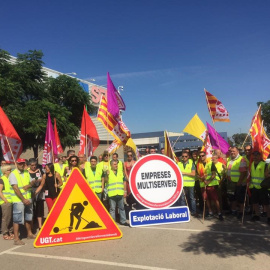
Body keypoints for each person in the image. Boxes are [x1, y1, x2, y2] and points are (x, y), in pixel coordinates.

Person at [9, 158, 36, 245]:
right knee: (17, 219)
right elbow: (16, 188)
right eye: (20, 163)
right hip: (19, 200)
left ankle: (29, 233)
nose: (21, 165)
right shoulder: (13, 174)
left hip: (28, 198)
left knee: (28, 217)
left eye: (23, 163)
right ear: (16, 164)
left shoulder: (26, 172)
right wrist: (23, 199)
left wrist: (31, 185)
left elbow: (30, 184)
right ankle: (16, 239)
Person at [105, 160, 128, 226]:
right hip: (112, 193)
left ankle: (123, 221)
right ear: (111, 165)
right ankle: (112, 222)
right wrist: (107, 175)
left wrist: (125, 191)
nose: (116, 165)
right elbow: (105, 181)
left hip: (120, 193)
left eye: (117, 164)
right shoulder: (108, 172)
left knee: (122, 208)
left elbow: (124, 182)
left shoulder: (121, 172)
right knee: (112, 209)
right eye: (114, 164)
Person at [226, 146, 248, 219]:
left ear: (237, 151)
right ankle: (233, 210)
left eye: (234, 151)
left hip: (239, 183)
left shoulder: (241, 159)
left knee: (240, 199)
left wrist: (239, 182)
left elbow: (243, 172)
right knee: (232, 198)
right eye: (231, 151)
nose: (232, 152)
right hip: (231, 183)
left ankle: (241, 212)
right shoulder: (230, 159)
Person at [249, 151, 269, 222]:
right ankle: (256, 215)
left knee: (266, 203)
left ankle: (269, 217)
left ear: (260, 156)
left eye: (257, 155)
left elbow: (267, 175)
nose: (255, 157)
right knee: (255, 202)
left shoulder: (264, 164)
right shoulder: (251, 164)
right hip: (254, 186)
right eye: (254, 155)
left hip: (262, 187)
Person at [203, 154, 224, 220]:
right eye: (213, 158)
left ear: (218, 158)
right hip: (208, 184)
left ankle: (219, 213)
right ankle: (211, 212)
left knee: (216, 199)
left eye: (215, 158)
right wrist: (204, 179)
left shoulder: (221, 164)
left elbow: (215, 175)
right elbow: (205, 173)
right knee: (208, 199)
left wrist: (208, 181)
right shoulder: (208, 164)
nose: (213, 159)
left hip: (215, 184)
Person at [177, 151, 196, 216]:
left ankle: (194, 211)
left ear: (188, 157)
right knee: (182, 198)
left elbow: (193, 174)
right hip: (182, 184)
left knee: (192, 198)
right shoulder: (179, 163)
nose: (184, 157)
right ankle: (183, 212)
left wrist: (184, 173)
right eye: (183, 156)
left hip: (190, 184)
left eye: (185, 156)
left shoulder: (191, 163)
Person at [28, 158, 44, 231]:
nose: (34, 167)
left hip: (39, 190)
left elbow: (44, 179)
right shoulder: (27, 172)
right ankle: (31, 226)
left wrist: (40, 180)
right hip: (31, 190)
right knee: (31, 209)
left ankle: (40, 225)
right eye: (32, 165)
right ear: (29, 165)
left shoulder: (40, 170)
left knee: (39, 208)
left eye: (35, 165)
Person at [0, 165, 14, 240]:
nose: (10, 171)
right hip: (5, 202)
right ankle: (5, 232)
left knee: (11, 217)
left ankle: (11, 231)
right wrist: (5, 200)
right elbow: (0, 191)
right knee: (6, 218)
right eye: (9, 170)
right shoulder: (2, 179)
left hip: (11, 201)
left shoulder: (9, 178)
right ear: (5, 171)